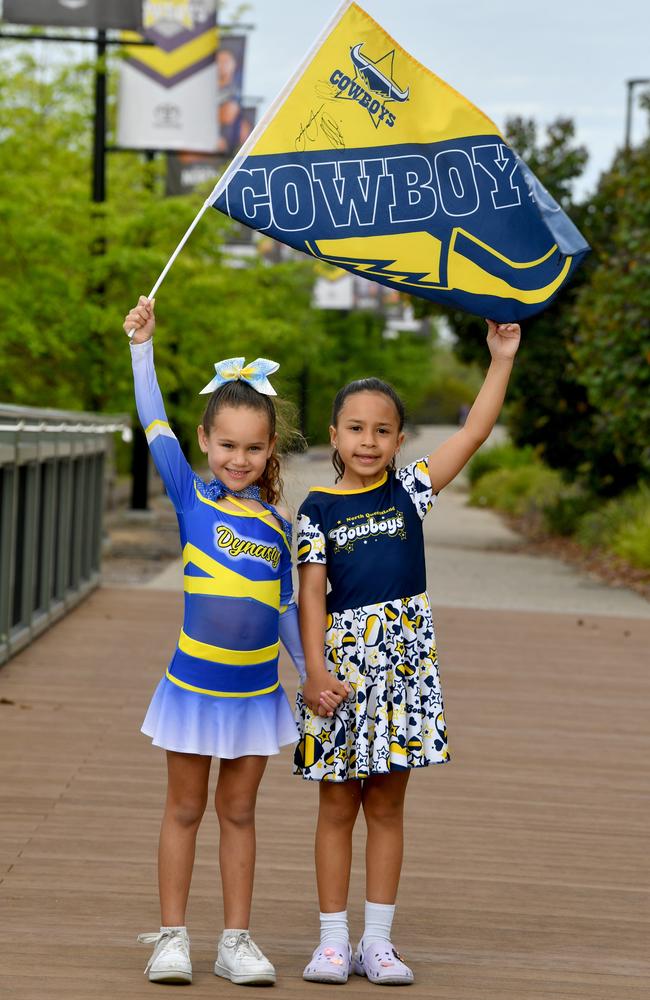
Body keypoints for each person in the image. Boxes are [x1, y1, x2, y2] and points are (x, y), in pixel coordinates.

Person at [123, 296, 347, 987]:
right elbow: (153, 421)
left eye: (253, 448)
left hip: (254, 693)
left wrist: (316, 671)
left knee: (240, 813)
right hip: (194, 687)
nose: (239, 459)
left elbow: (286, 610)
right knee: (185, 809)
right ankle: (171, 937)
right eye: (227, 445)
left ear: (270, 449)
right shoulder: (191, 496)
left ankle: (235, 940)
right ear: (205, 441)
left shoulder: (281, 525)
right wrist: (142, 348)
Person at [295, 320, 521, 985]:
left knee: (388, 805)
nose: (369, 440)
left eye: (383, 430)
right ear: (334, 436)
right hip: (341, 668)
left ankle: (379, 943)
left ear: (400, 439)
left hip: (405, 667)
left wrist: (500, 359)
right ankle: (332, 942)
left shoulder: (411, 491)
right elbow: (310, 596)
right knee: (338, 804)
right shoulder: (317, 508)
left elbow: (475, 432)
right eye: (355, 428)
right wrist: (313, 671)